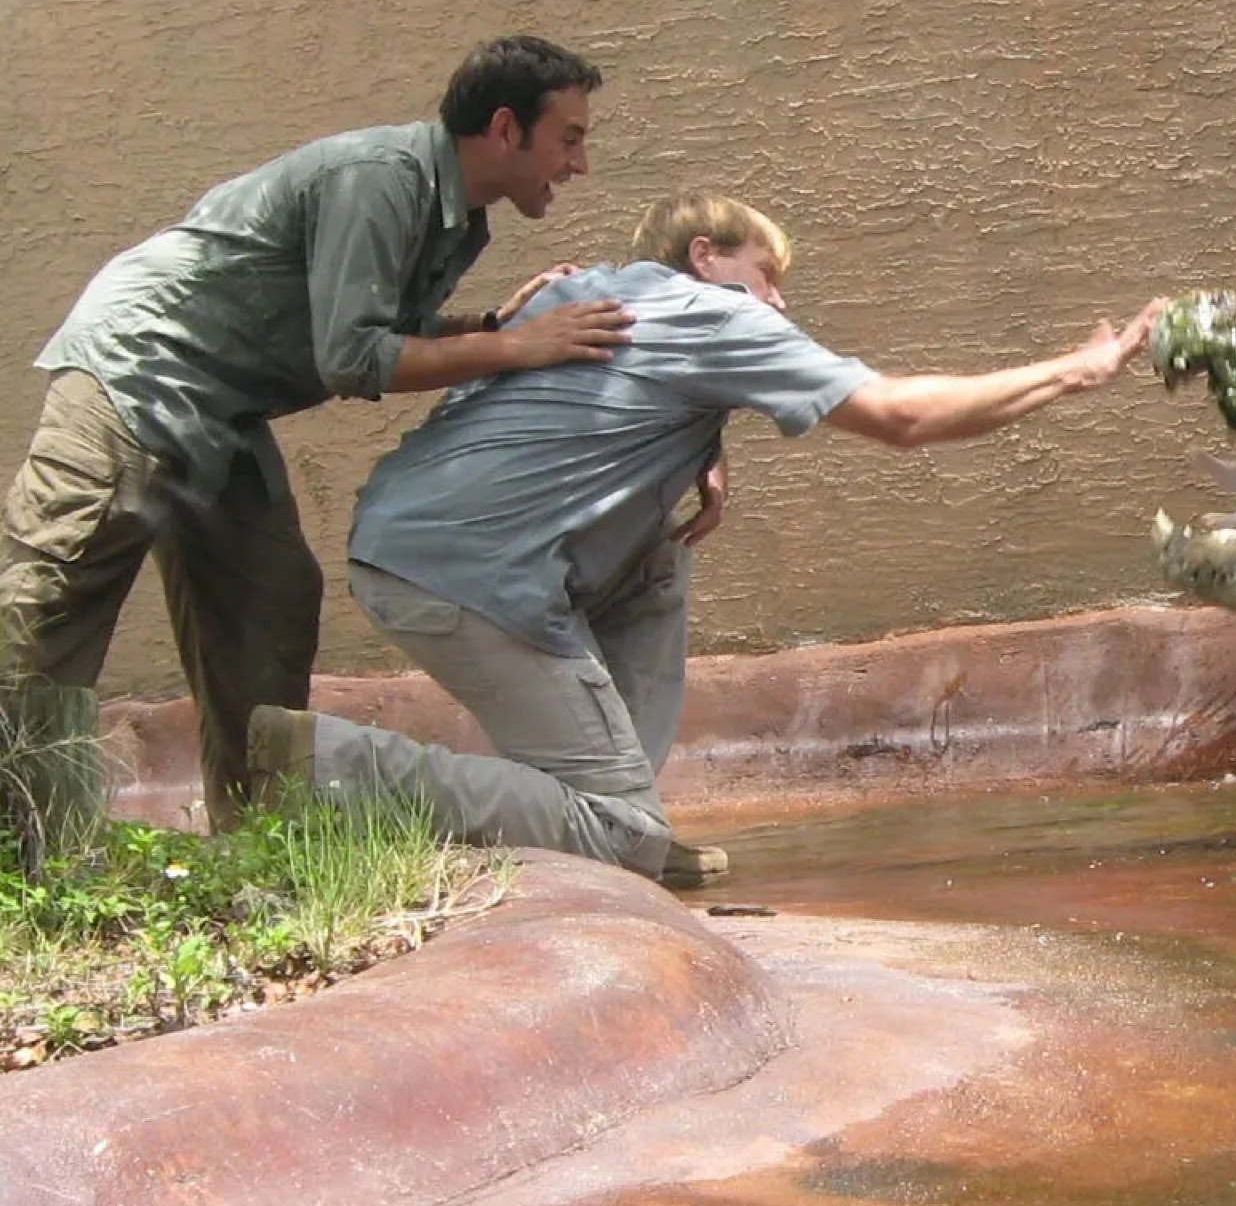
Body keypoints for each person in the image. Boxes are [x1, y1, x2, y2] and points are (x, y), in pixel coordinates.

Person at [245, 193, 1163, 889]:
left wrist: (697, 444)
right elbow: (899, 418)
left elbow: (564, 419)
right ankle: (337, 764)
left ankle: (605, 809)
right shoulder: (714, 316)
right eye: (769, 276)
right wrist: (1078, 371)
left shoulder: (587, 292)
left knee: (661, 551)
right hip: (461, 576)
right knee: (620, 831)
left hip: (401, 544)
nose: (779, 302)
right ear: (704, 257)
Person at [0, 36, 633, 825]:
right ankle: (24, 859)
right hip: (134, 372)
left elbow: (376, 321)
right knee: (43, 612)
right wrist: (513, 347)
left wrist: (492, 325)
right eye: (570, 138)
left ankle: (257, 838)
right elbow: (352, 356)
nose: (580, 164)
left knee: (270, 598)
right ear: (507, 129)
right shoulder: (380, 180)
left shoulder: (454, 217)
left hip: (221, 409)